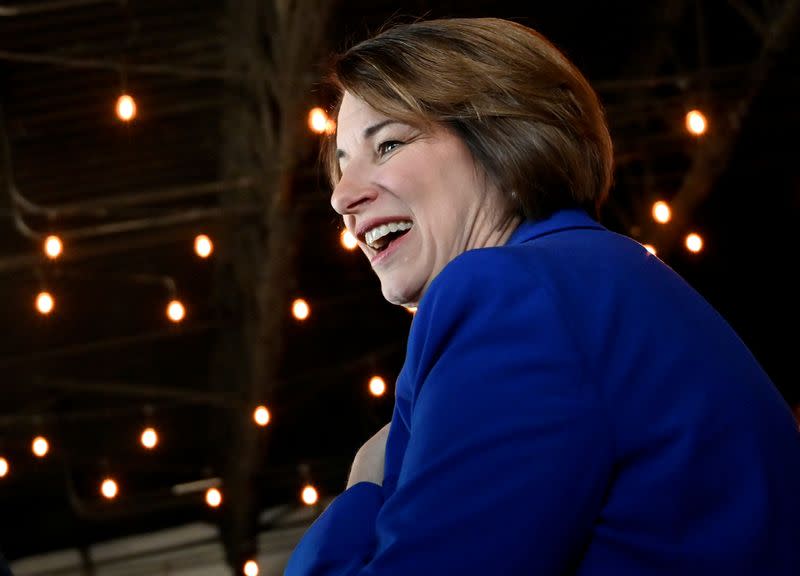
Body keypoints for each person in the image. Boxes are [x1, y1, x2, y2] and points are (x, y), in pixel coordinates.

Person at [285, 17, 800, 575]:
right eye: (340, 167)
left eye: (387, 144)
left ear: (502, 147)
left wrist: (363, 485)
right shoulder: (601, 277)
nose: (341, 197)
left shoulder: (506, 291)